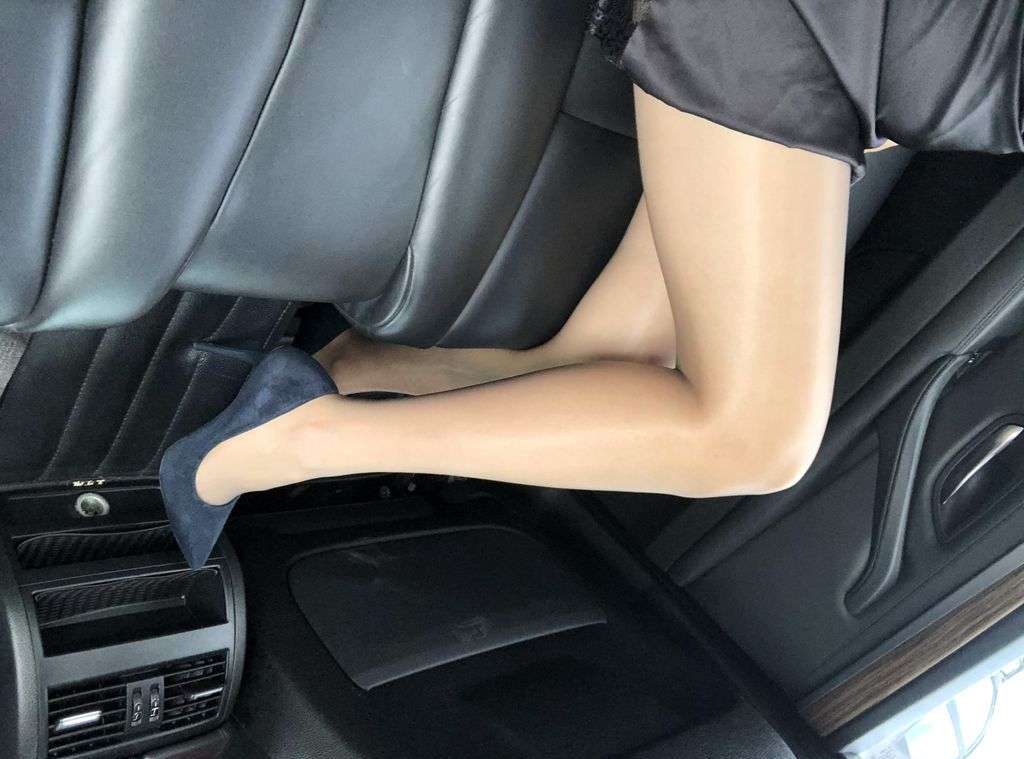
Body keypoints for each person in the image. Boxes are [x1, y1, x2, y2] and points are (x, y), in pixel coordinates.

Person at [160, 1, 1024, 567]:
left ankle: (346, 370)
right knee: (754, 441)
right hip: (805, 33)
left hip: (846, 69)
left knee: (613, 359)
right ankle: (297, 439)